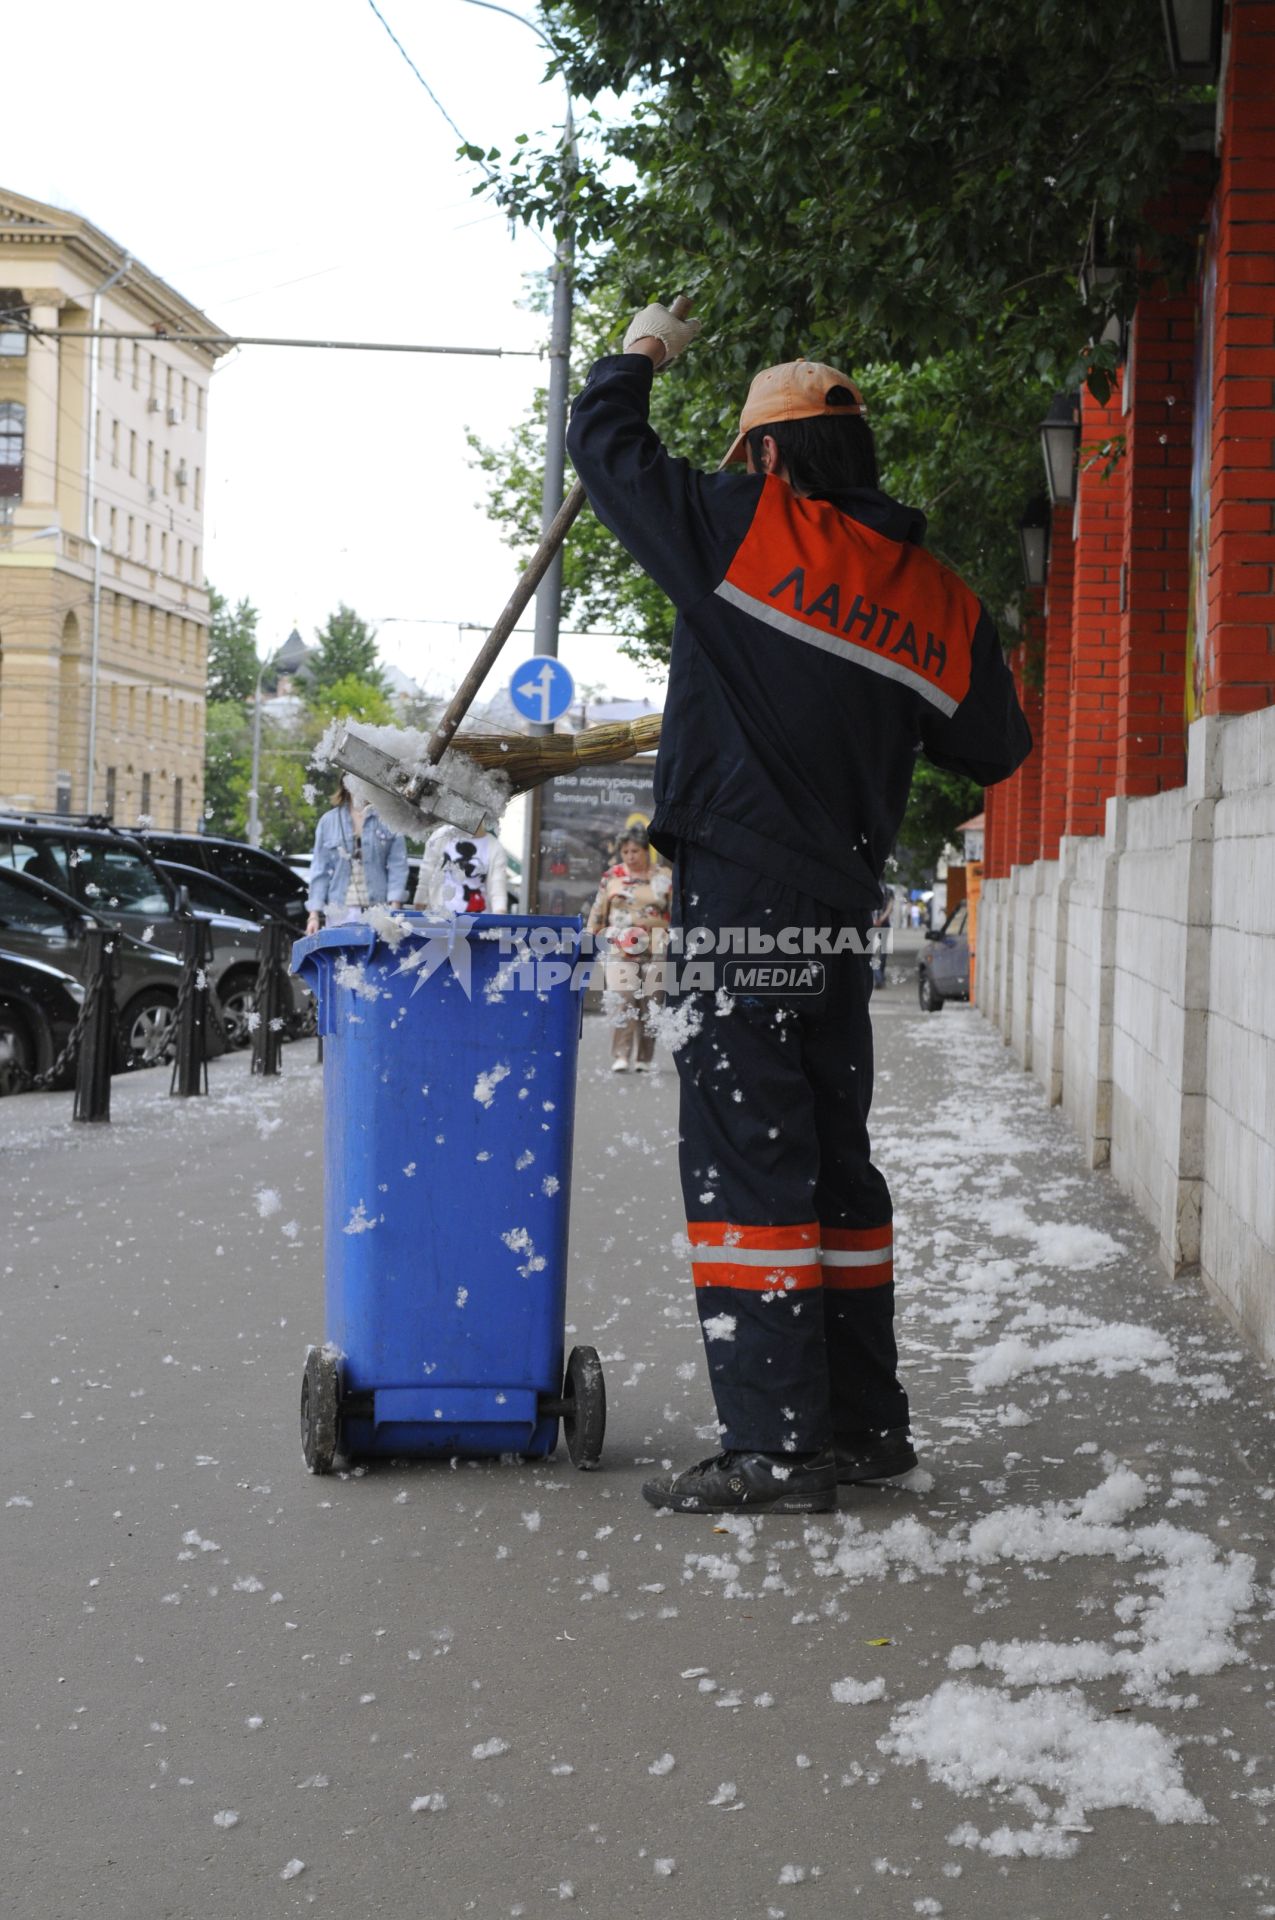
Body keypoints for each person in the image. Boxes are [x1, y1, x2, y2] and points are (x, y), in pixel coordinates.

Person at [565, 308, 1031, 1515]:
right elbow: (994, 745)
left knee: (748, 1155)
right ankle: (864, 1428)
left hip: (745, 901)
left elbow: (605, 448)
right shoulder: (935, 594)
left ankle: (776, 1446)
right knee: (831, 1162)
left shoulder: (742, 529)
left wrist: (639, 353)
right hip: (839, 915)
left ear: (766, 456)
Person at [585, 826, 672, 1073]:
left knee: (651, 1001)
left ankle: (644, 1057)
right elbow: (598, 910)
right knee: (623, 998)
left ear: (646, 851)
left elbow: (675, 912)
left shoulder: (663, 876)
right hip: (620, 945)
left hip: (656, 944)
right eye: (625, 851)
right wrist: (590, 937)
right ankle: (621, 1055)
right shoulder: (612, 876)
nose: (630, 856)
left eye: (635, 850)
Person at [305, 780, 408, 934]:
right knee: (341, 957)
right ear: (345, 782)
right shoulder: (328, 821)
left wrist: (394, 908)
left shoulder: (387, 820)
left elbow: (398, 866)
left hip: (378, 910)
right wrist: (313, 916)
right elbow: (320, 870)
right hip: (338, 911)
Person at [414, 822, 509, 916]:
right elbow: (427, 870)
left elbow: (498, 888)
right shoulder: (441, 836)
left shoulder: (495, 847)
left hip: (478, 923)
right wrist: (420, 898)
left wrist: (499, 915)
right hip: (441, 920)